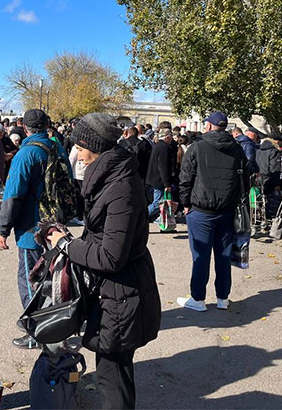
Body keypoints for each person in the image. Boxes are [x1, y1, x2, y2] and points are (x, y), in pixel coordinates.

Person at [46, 113, 160, 409]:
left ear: (93, 146)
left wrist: (65, 245)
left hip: (122, 293)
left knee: (113, 376)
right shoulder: (112, 175)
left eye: (80, 148)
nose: (77, 155)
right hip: (114, 291)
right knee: (114, 371)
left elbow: (111, 256)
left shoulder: (121, 185)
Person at [0, 109, 71, 349]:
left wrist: (3, 229)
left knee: (31, 280)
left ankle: (37, 333)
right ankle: (53, 323)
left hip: (31, 230)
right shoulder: (57, 148)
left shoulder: (26, 154)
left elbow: (13, 195)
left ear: (24, 128)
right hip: (56, 227)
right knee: (52, 277)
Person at [177, 111, 247, 312]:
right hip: (227, 209)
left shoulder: (197, 147)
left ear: (208, 126)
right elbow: (245, 177)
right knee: (224, 255)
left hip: (201, 209)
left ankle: (198, 298)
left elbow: (185, 177)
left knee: (201, 256)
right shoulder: (237, 148)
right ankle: (222, 298)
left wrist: (185, 203)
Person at [145, 128, 174, 221]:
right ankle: (142, 215)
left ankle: (156, 218)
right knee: (158, 203)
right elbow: (163, 167)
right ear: (167, 137)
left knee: (158, 202)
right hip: (158, 180)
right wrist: (167, 184)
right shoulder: (163, 148)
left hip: (154, 179)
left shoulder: (158, 146)